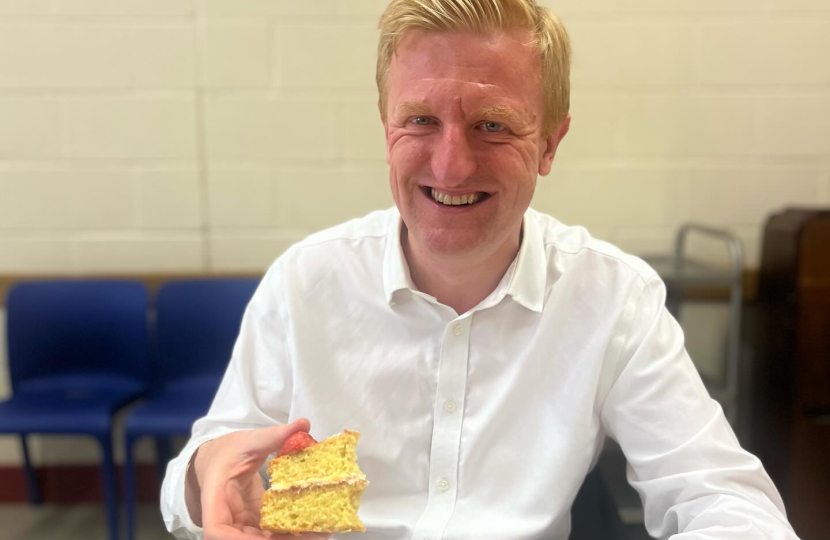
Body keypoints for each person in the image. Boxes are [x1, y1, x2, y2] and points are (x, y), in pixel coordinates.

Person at [161, 1, 799, 539]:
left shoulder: (610, 299)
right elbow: (205, 466)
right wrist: (205, 478)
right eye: (420, 121)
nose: (451, 166)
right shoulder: (306, 284)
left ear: (550, 144)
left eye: (492, 126)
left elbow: (721, 495)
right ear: (387, 127)